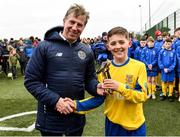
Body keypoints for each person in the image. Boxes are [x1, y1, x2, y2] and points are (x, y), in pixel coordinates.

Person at [24, 4, 103, 136]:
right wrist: (56, 101)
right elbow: (31, 81)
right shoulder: (44, 46)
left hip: (75, 118)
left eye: (80, 25)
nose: (74, 28)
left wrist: (96, 87)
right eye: (72, 22)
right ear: (64, 21)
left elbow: (89, 79)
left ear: (84, 27)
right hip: (50, 119)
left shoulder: (86, 50)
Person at [74, 26, 148, 136]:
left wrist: (120, 87)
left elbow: (142, 96)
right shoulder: (105, 69)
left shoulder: (139, 67)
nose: (118, 46)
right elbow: (99, 98)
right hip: (113, 124)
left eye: (121, 42)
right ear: (108, 46)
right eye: (113, 43)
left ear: (129, 43)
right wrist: (75, 105)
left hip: (135, 125)